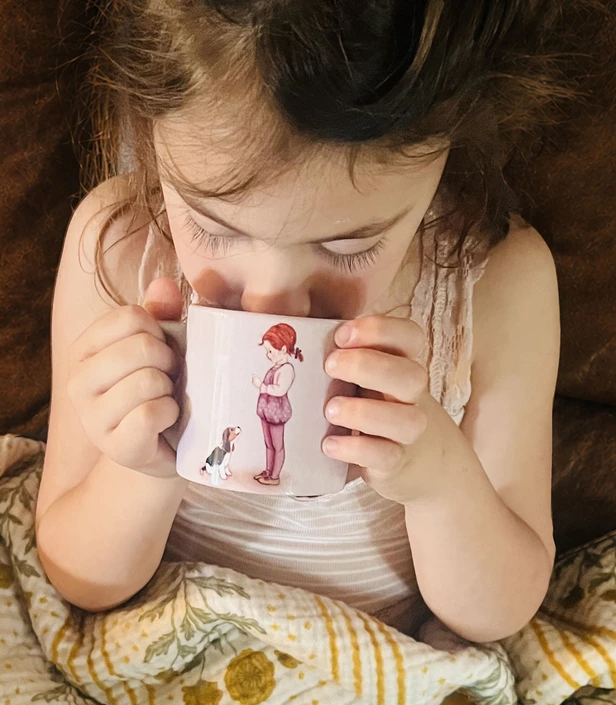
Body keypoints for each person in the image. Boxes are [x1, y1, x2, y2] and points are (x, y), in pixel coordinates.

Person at [35, 0, 566, 643]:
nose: (271, 306)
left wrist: (438, 482)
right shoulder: (120, 249)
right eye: (211, 228)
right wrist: (141, 469)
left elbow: (498, 615)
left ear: (444, 152)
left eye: (349, 247)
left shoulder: (496, 285)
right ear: (146, 134)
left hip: (377, 670)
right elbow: (79, 579)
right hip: (171, 650)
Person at [252, 323, 302, 486]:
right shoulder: (275, 367)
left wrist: (261, 386)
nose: (268, 355)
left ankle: (275, 476)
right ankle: (268, 470)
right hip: (266, 411)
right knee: (268, 444)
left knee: (277, 445)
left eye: (270, 351)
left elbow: (280, 390)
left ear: (283, 349)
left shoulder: (286, 369)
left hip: (276, 413)